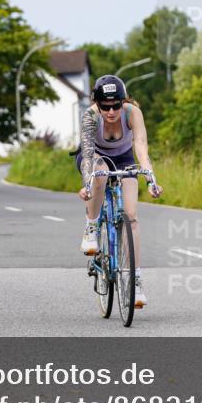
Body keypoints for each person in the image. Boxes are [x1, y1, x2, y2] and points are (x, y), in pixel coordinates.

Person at [75, 74, 163, 308]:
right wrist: (87, 184)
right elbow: (88, 154)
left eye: (116, 105)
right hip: (95, 157)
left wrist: (151, 179)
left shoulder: (132, 113)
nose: (111, 111)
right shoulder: (90, 116)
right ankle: (91, 227)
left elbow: (141, 146)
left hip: (124, 158)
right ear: (97, 103)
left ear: (123, 102)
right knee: (100, 172)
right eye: (106, 106)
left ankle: (135, 282)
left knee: (132, 217)